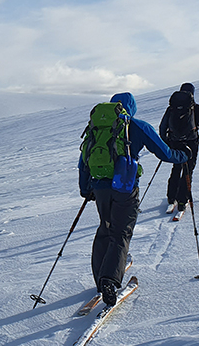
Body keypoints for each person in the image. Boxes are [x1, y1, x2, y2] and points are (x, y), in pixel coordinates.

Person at [78, 92, 189, 306]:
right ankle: (109, 280)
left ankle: (101, 277)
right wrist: (183, 155)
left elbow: (84, 158)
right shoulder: (136, 126)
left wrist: (86, 188)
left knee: (105, 227)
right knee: (121, 232)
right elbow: (165, 153)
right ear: (131, 107)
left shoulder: (97, 127)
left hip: (99, 185)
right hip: (124, 186)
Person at [159, 83, 199, 212]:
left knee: (176, 167)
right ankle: (182, 200)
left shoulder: (171, 109)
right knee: (188, 169)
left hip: (175, 142)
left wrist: (166, 141)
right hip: (191, 142)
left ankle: (171, 197)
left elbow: (163, 127)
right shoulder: (195, 108)